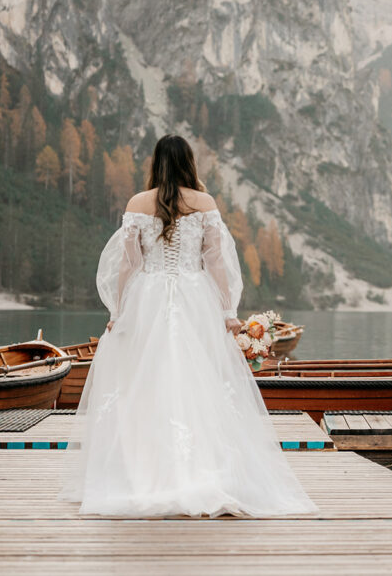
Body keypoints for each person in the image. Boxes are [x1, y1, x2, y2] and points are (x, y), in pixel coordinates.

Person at [58, 135, 316, 518]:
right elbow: (216, 262)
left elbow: (127, 264)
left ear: (156, 163)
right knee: (199, 381)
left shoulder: (137, 203)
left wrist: (117, 311)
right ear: (188, 163)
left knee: (144, 384)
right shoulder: (204, 203)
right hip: (195, 298)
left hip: (147, 299)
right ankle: (200, 470)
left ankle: (143, 473)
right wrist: (229, 311)